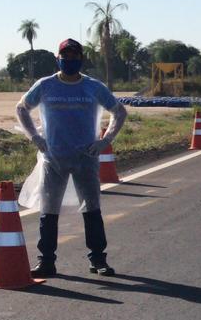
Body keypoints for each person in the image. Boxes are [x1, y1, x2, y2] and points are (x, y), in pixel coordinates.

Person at [16, 38, 128, 277]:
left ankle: (98, 259)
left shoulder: (93, 87)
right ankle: (46, 261)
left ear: (81, 59)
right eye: (65, 57)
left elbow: (119, 111)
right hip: (54, 158)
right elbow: (21, 108)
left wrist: (105, 141)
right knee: (49, 211)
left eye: (74, 57)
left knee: (92, 209)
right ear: (58, 59)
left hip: (85, 158)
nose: (69, 61)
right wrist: (34, 136)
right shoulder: (45, 85)